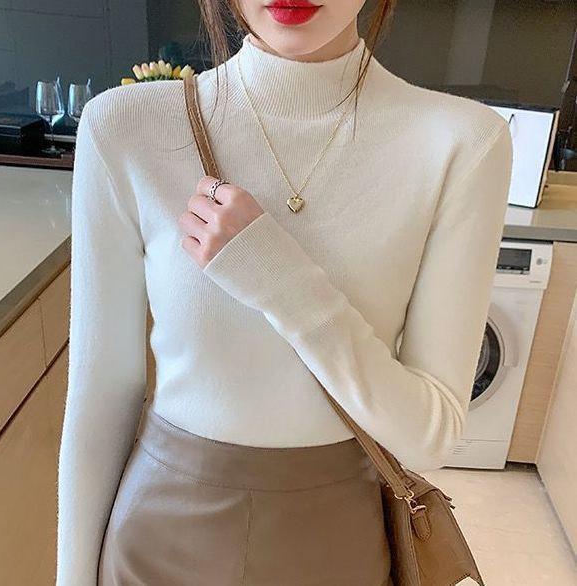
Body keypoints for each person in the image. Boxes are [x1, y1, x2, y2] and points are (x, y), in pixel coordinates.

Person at [56, 0, 513, 584]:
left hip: (337, 547)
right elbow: (100, 397)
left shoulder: (462, 142)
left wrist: (279, 279)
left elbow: (429, 437)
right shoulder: (125, 127)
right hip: (155, 545)